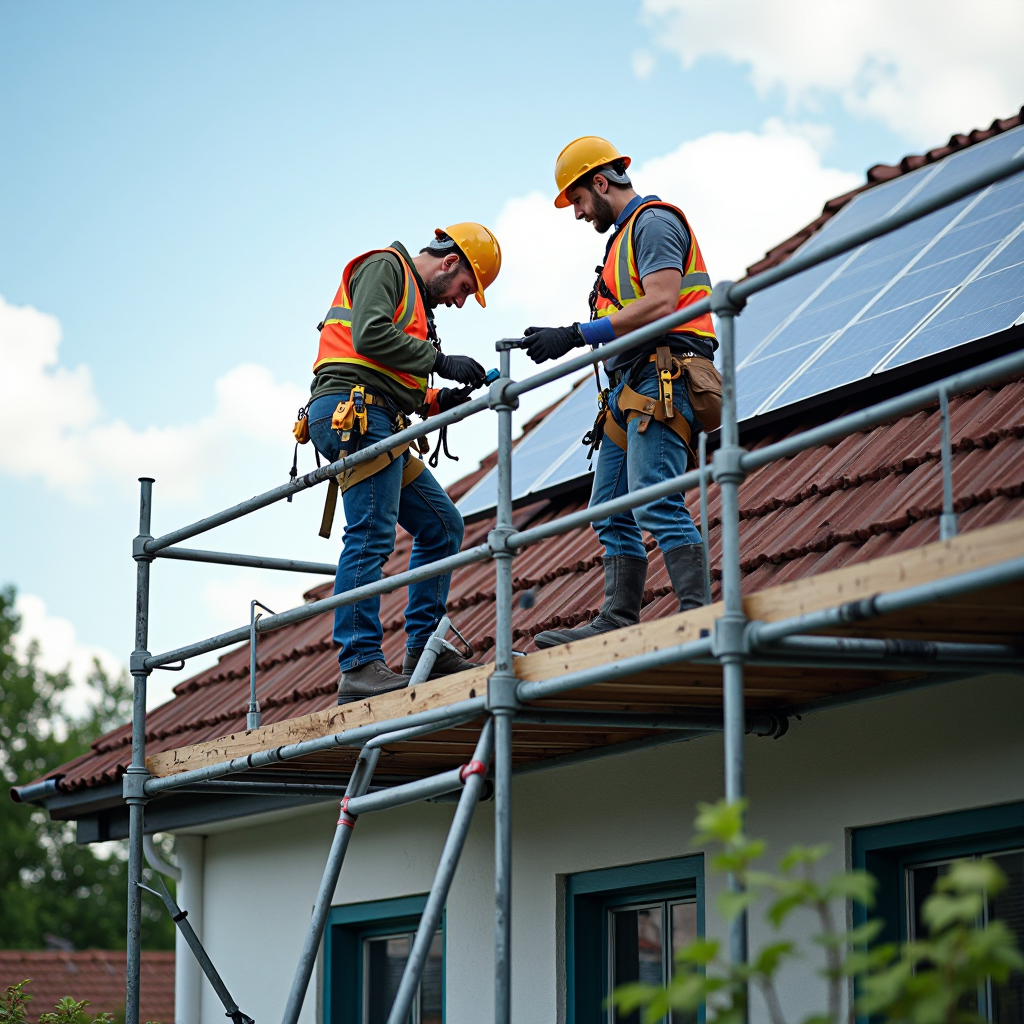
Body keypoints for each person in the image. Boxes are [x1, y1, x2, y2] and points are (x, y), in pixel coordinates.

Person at [524, 137, 720, 649]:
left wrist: (574, 334)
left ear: (600, 182)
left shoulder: (652, 223)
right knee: (609, 506)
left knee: (654, 497)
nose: (578, 214)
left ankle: (700, 618)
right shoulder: (623, 239)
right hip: (631, 385)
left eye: (579, 201)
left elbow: (661, 302)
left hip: (664, 375)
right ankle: (617, 617)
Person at [305, 223, 501, 703]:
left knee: (442, 525)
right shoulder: (385, 267)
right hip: (352, 411)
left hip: (378, 417)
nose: (458, 301)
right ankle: (358, 666)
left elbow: (396, 380)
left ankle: (422, 651)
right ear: (450, 262)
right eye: (462, 290)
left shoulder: (416, 303)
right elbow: (370, 337)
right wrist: (440, 360)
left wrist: (442, 397)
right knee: (371, 535)